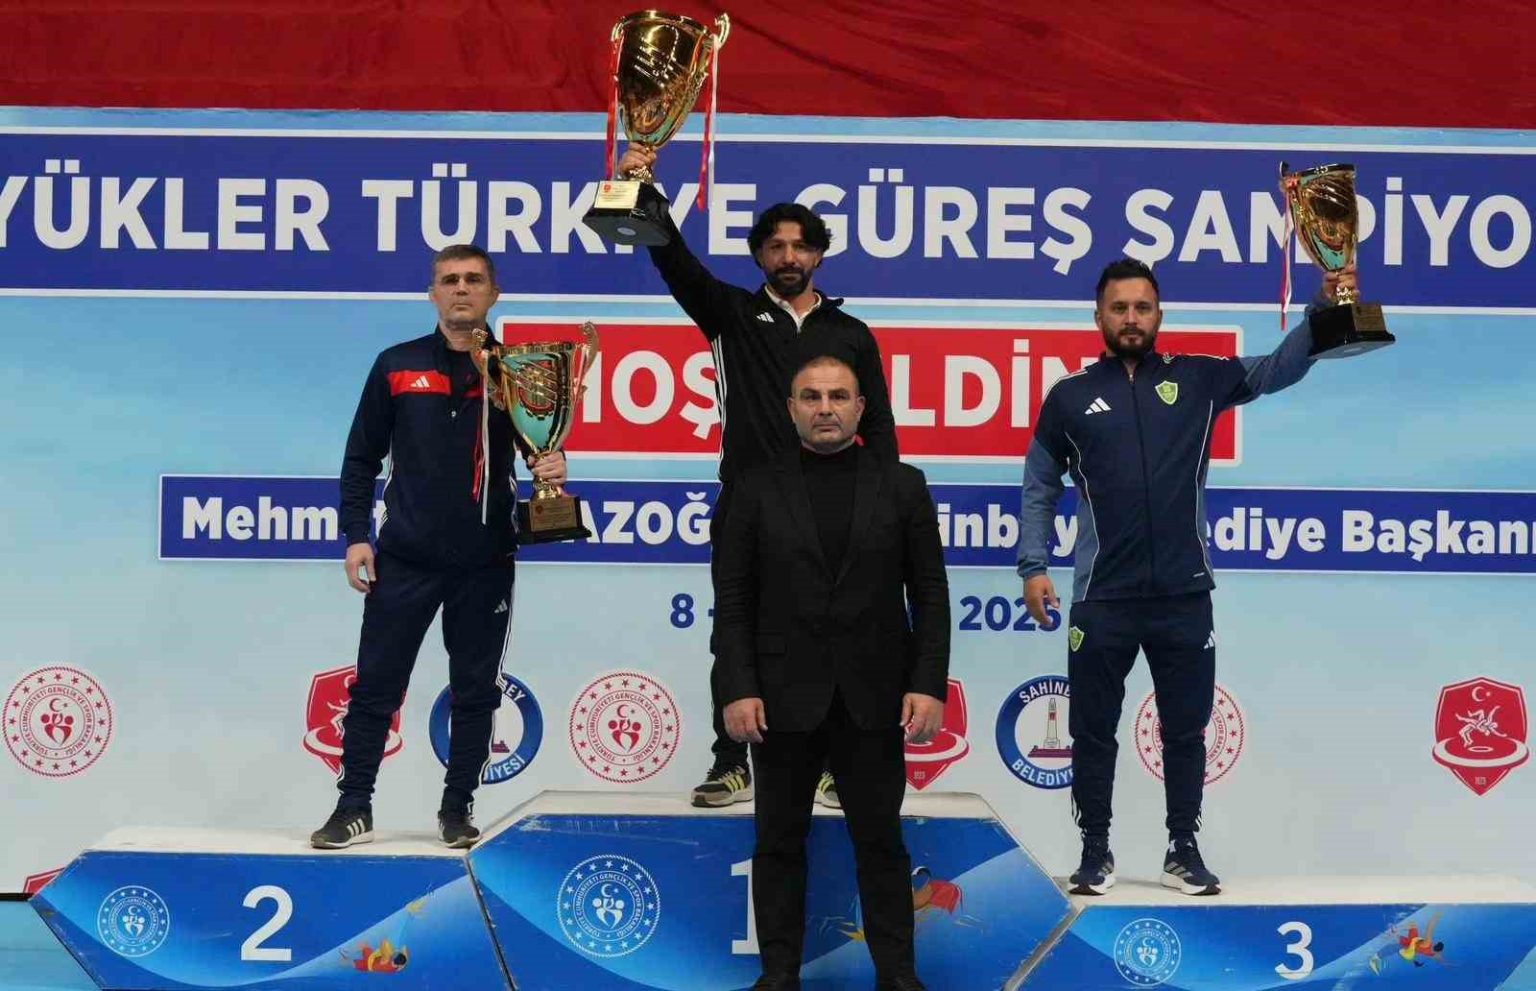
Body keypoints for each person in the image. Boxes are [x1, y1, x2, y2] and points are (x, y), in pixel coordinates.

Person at [1018, 256, 1356, 896]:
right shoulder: (1068, 397)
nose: (1131, 318)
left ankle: (1183, 849)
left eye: (1142, 308)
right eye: (1119, 308)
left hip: (1183, 595)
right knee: (1091, 731)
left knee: (1184, 731)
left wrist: (1321, 311)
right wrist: (1034, 565)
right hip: (1102, 598)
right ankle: (1094, 853)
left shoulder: (1198, 378)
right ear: (1098, 316)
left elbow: (1275, 369)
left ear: (1159, 315)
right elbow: (1039, 483)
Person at [618, 144, 899, 811]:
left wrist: (887, 504)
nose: (788, 256)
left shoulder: (851, 332)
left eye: (800, 246)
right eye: (775, 247)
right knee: (737, 632)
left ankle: (831, 765)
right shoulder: (732, 316)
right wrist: (642, 187)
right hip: (750, 504)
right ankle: (732, 761)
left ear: (819, 255)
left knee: (835, 633)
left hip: (838, 508)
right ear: (760, 257)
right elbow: (674, 258)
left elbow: (880, 426)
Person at [310, 244, 566, 850]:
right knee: (376, 685)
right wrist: (356, 537)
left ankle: (457, 809)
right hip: (405, 557)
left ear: (494, 294)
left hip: (486, 559)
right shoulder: (395, 364)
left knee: (475, 689)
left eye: (473, 279)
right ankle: (353, 806)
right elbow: (361, 459)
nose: (461, 289)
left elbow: (538, 446)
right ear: (433, 294)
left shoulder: (520, 371)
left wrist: (550, 463)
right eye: (449, 280)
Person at [713, 352, 947, 991]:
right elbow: (733, 599)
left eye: (838, 396)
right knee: (778, 844)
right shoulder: (754, 488)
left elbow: (930, 594)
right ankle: (778, 978)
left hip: (875, 696)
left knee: (881, 844)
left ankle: (898, 977)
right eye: (812, 397)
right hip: (780, 698)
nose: (825, 408)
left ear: (860, 407)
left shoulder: (903, 485)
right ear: (791, 409)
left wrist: (927, 684)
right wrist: (738, 687)